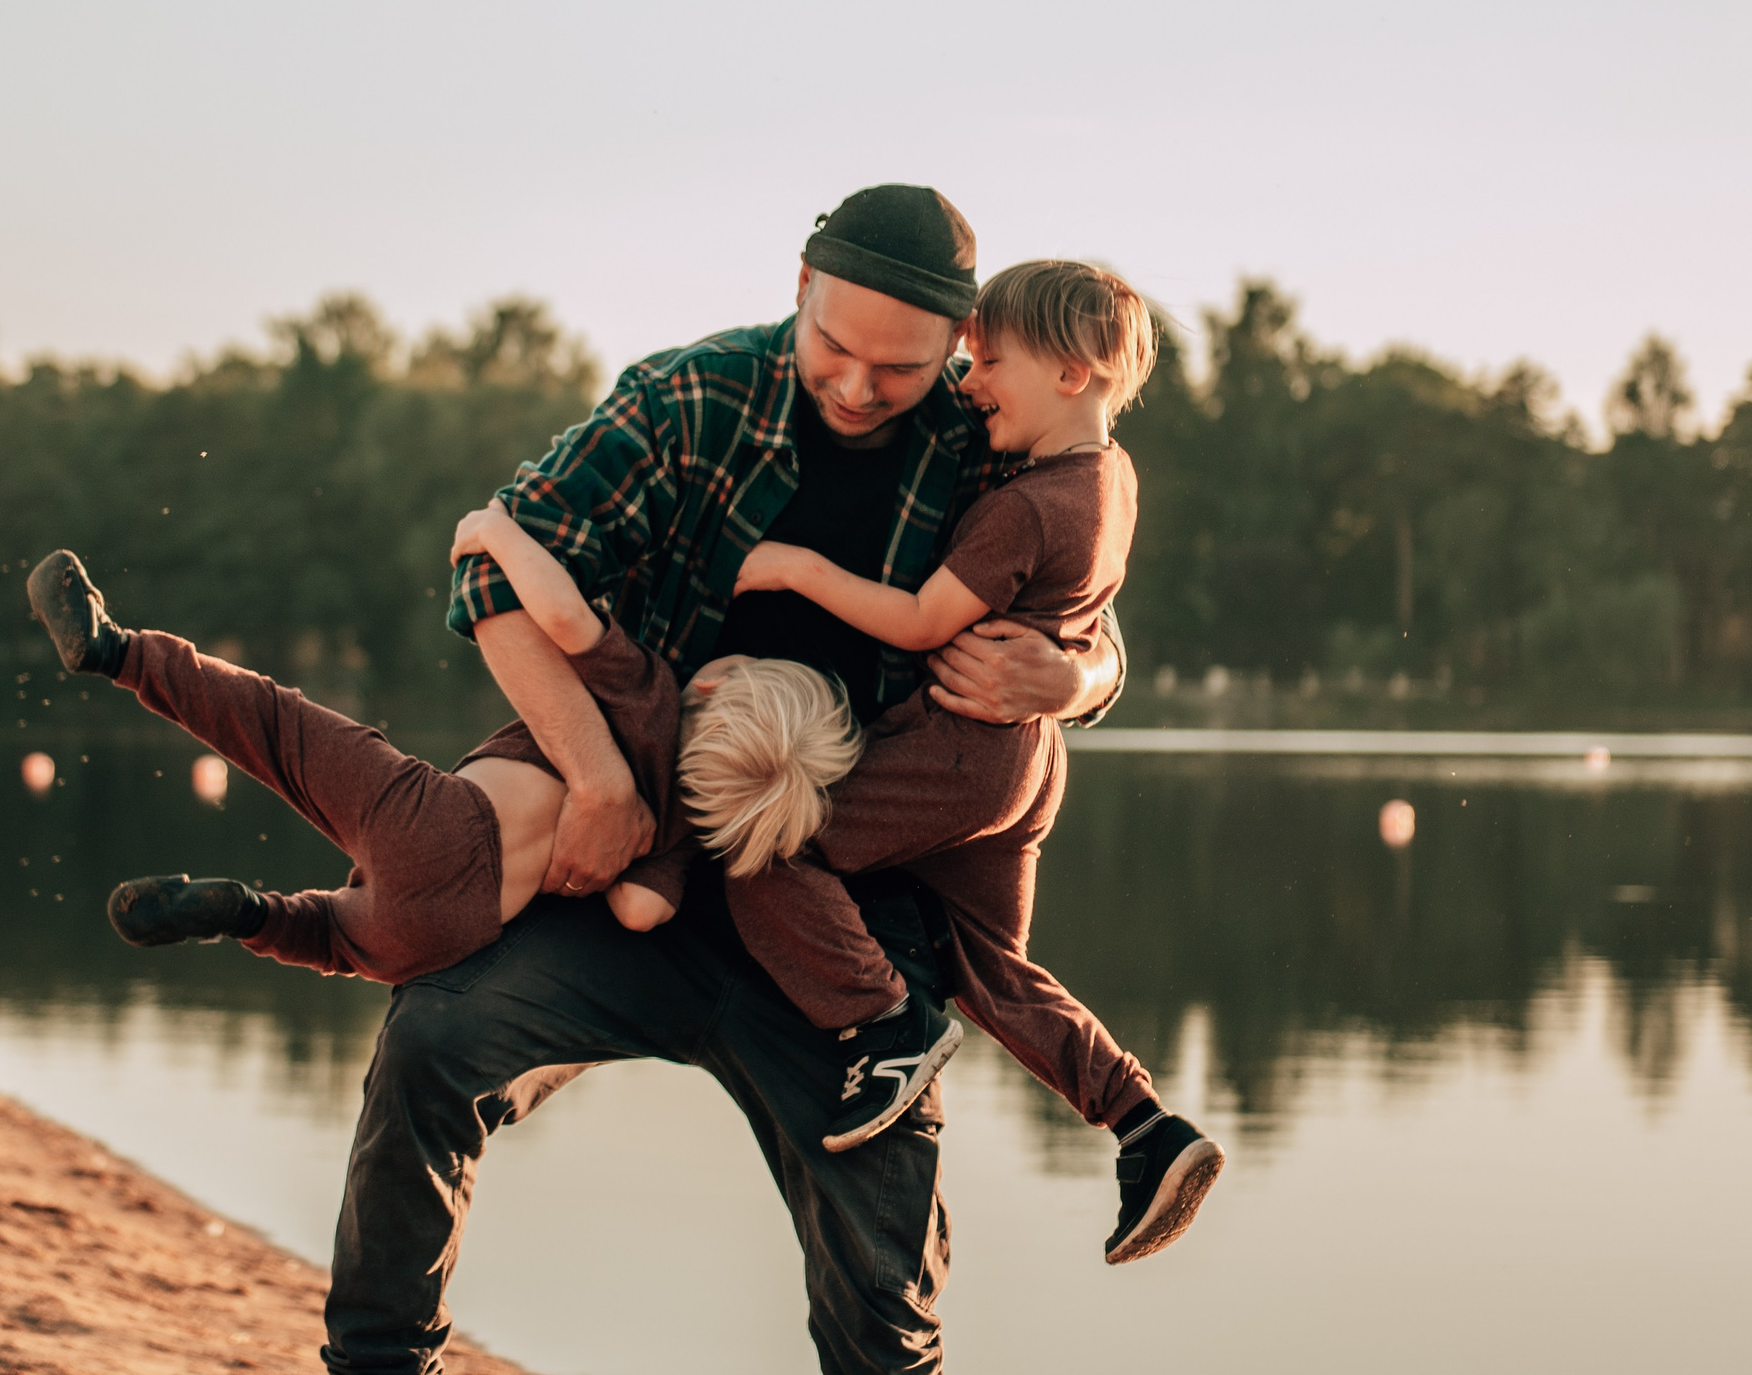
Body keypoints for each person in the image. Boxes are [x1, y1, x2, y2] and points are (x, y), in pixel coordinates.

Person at [36, 184, 1150, 1375]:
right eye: (835, 345)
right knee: (434, 1041)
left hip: (843, 906)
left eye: (901, 367)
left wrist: (1082, 676)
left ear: (955, 342)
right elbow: (495, 578)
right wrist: (602, 775)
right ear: (799, 288)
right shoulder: (691, 397)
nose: (856, 385)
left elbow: (1081, 568)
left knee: (883, 1278)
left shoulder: (984, 427)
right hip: (636, 849)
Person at [445, 260, 1222, 1263]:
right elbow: (1075, 608)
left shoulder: (1023, 496)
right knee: (983, 963)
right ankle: (1144, 1125)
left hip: (957, 750)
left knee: (765, 840)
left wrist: (796, 569)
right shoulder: (1106, 476)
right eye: (971, 360)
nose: (973, 382)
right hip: (1021, 765)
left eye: (987, 362)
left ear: (1070, 373)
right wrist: (1073, 676)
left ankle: (883, 1023)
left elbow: (925, 618)